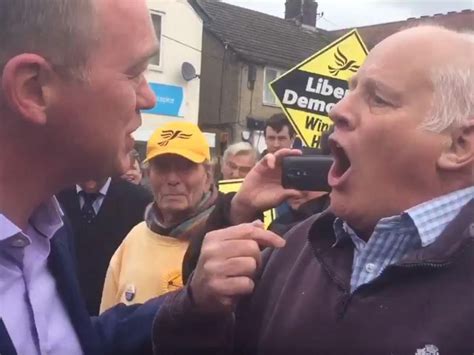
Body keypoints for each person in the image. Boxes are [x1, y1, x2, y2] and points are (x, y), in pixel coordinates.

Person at [152, 25, 474, 354]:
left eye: (378, 99)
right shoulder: (289, 249)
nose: (337, 110)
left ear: (459, 144)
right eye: (350, 91)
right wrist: (198, 311)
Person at [0, 0, 164, 354]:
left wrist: (191, 306)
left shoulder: (47, 229)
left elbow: (65, 340)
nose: (149, 98)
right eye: (134, 71)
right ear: (34, 89)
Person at [100, 121, 219, 312]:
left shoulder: (223, 240)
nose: (172, 179)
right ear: (148, 174)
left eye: (185, 167)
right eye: (162, 167)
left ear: (208, 175)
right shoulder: (134, 239)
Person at [57, 176, 152, 315]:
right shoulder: (55, 197)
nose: (89, 171)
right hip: (67, 310)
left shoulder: (139, 200)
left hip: (117, 312)